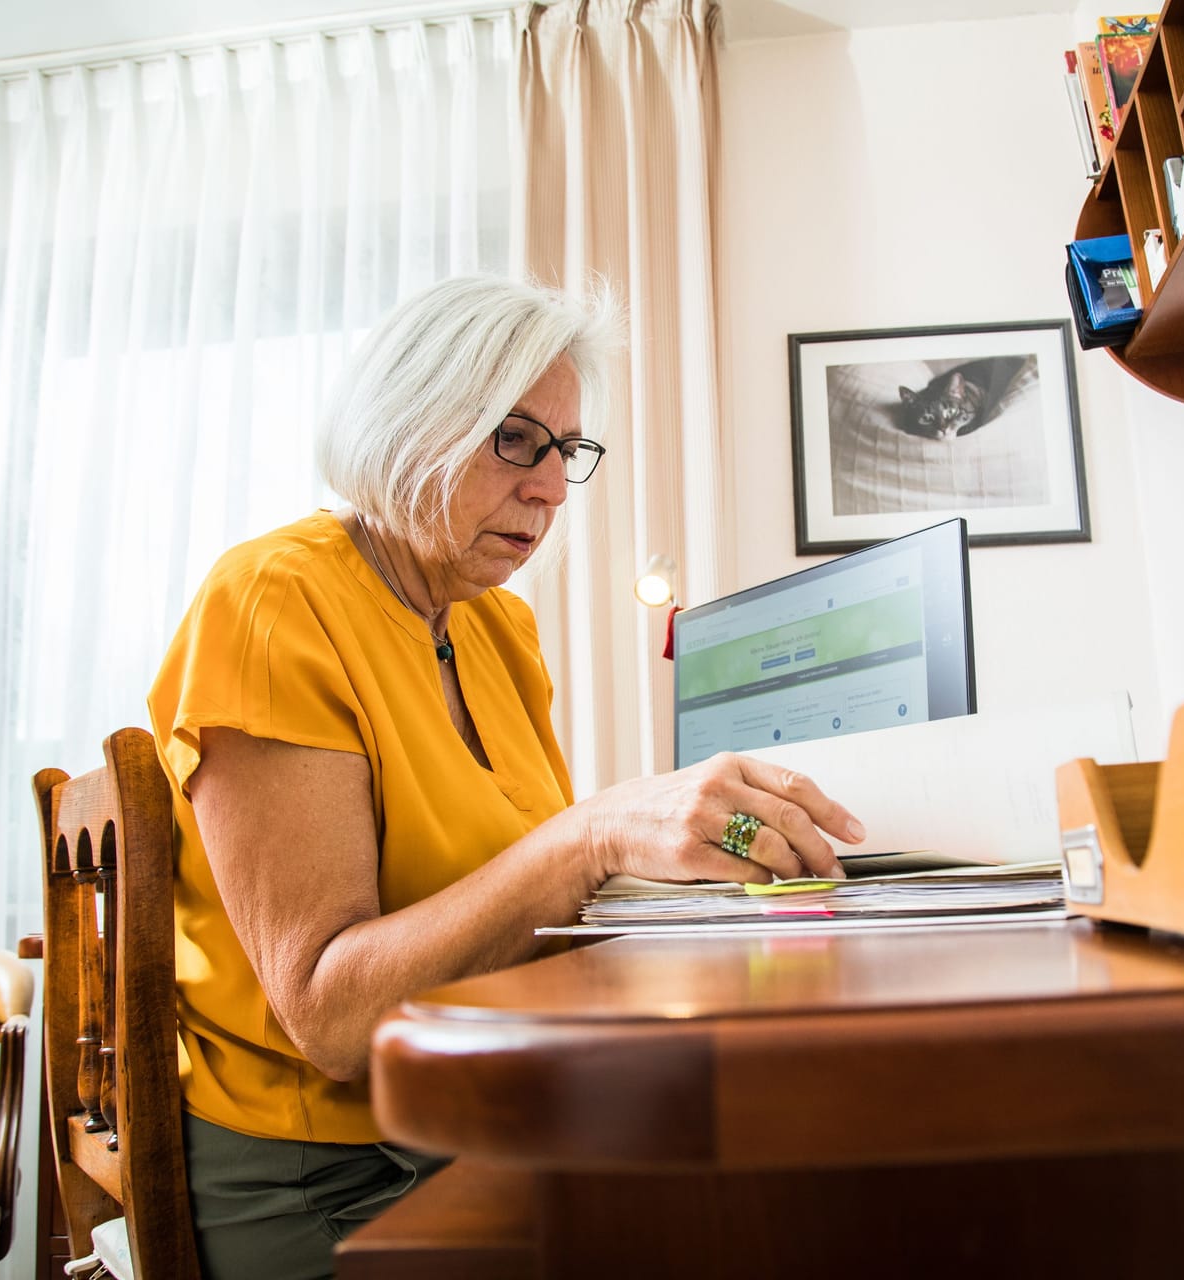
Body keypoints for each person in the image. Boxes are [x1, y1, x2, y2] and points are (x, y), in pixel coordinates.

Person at [146, 275, 865, 1280]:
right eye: (516, 440)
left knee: (779, 1190)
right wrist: (601, 832)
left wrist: (705, 852)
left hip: (474, 1112)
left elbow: (526, 898)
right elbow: (332, 1017)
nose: (550, 488)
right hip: (324, 1168)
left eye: (565, 451)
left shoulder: (497, 626)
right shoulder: (274, 599)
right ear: (410, 423)